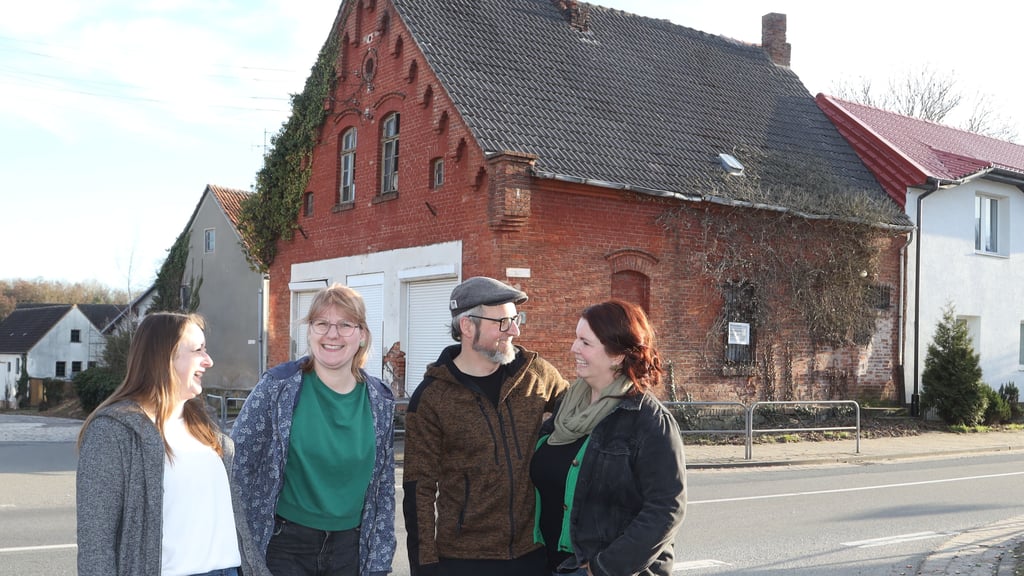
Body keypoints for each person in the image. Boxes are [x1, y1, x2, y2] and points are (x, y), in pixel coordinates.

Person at [402, 276, 569, 576]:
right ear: (467, 326)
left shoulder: (537, 374)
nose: (515, 331)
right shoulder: (431, 397)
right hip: (463, 561)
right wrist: (424, 566)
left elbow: (582, 413)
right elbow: (419, 490)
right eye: (503, 322)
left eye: (516, 320)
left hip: (535, 553)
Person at [76, 312, 265, 576]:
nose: (208, 361)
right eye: (198, 350)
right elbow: (96, 544)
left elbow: (234, 521)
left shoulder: (203, 421)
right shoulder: (112, 431)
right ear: (165, 357)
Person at [231, 283, 395, 576]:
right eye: (322, 323)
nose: (332, 334)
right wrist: (242, 550)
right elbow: (238, 466)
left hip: (351, 550)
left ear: (362, 335)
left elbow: (383, 490)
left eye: (345, 325)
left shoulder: (380, 401)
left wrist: (379, 562)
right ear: (309, 332)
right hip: (284, 548)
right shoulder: (277, 388)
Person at [530, 300, 687, 576]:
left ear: (617, 355)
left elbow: (666, 510)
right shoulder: (568, 406)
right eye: (576, 338)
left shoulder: (648, 421)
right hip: (552, 563)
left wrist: (601, 568)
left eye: (585, 342)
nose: (573, 348)